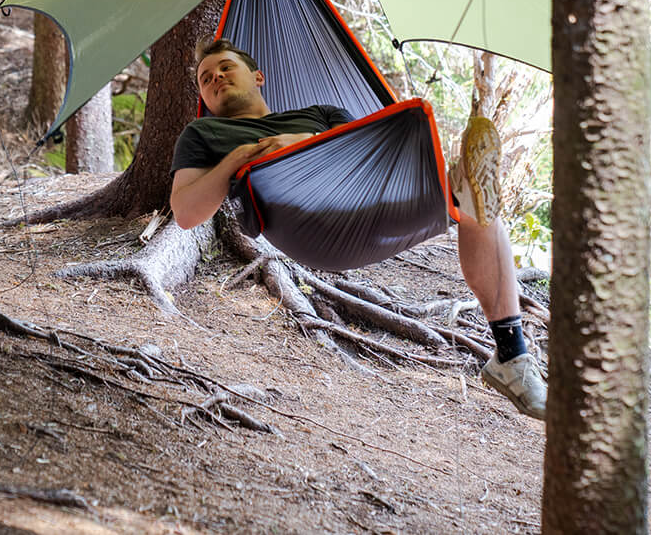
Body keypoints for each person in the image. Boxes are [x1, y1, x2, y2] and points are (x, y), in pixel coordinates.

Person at [170, 37, 547, 420]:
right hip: (307, 229)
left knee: (475, 202)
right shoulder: (203, 135)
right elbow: (185, 212)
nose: (215, 77)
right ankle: (462, 188)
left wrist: (299, 141)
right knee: (473, 197)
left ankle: (511, 355)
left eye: (225, 67)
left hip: (366, 205)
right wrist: (239, 156)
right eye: (205, 78)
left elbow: (364, 155)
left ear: (258, 76)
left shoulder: (320, 112)